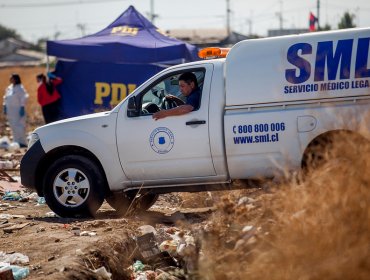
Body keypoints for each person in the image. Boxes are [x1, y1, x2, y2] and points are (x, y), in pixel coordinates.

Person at [3, 73, 29, 148]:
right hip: (10, 111)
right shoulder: (9, 88)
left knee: (20, 125)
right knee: (12, 125)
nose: (10, 79)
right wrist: (4, 106)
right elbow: (5, 97)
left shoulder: (20, 88)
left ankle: (22, 142)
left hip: (17, 110)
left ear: (16, 79)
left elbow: (24, 97)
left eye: (12, 78)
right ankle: (16, 141)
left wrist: (22, 107)